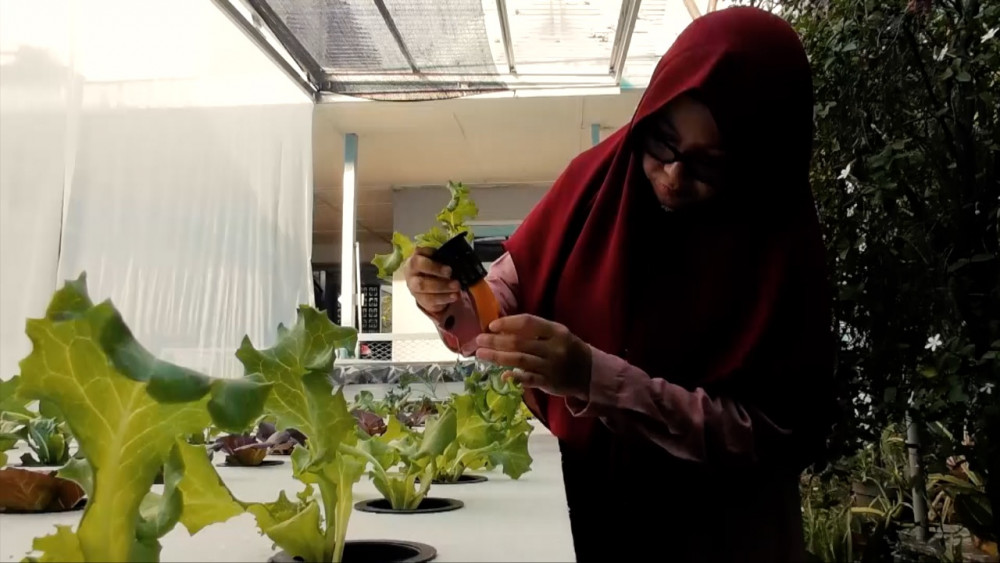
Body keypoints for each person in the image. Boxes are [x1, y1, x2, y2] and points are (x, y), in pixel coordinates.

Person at [403, 6, 838, 561]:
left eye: (709, 164)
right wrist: (449, 300)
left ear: (760, 164)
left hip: (720, 537)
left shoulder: (778, 257)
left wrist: (594, 378)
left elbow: (766, 432)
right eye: (662, 141)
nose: (673, 175)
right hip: (588, 519)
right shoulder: (597, 182)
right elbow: (502, 298)